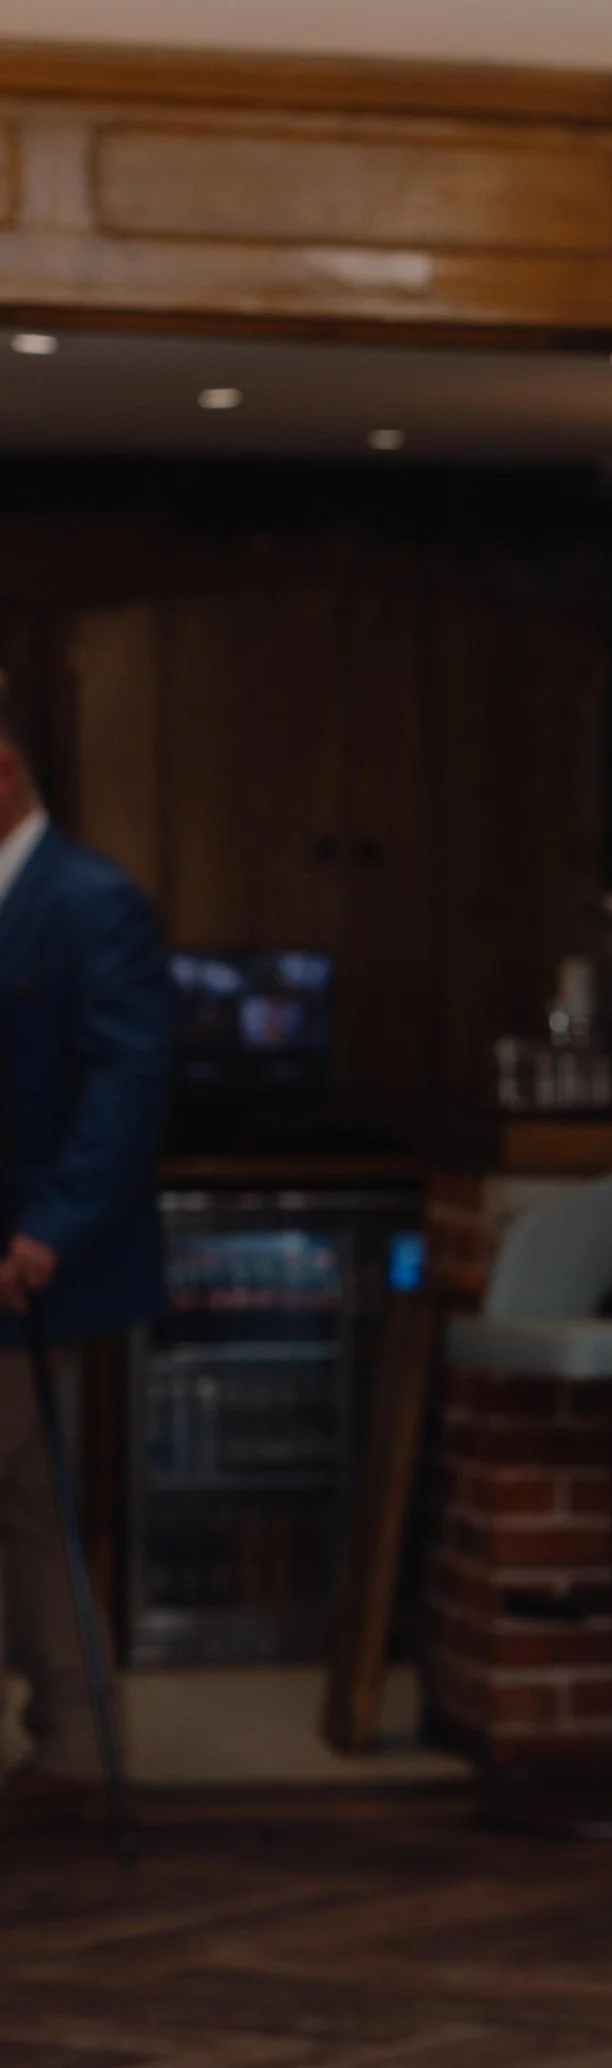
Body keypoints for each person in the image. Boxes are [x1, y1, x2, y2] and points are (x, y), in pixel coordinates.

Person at [0, 699, 173, 1820]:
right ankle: (64, 1725)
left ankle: (72, 1733)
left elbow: (125, 1087)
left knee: (28, 1489)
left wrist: (48, 1230)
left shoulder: (91, 899)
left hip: (31, 1264)